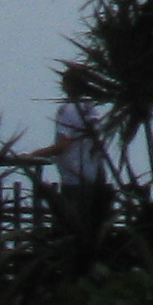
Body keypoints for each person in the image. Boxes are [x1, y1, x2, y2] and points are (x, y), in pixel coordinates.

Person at [47, 65, 108, 231]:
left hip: (74, 181)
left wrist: (33, 154)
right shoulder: (92, 109)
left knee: (68, 230)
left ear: (67, 85)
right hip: (95, 179)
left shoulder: (67, 110)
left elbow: (63, 145)